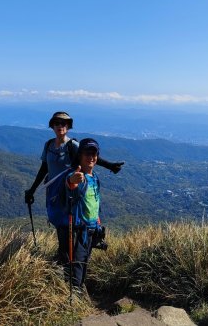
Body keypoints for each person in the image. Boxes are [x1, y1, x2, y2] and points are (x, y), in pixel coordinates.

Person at [24, 111, 123, 263]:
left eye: (63, 123)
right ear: (52, 126)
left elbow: (90, 158)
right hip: (53, 193)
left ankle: (69, 262)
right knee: (59, 224)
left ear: (68, 126)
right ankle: (66, 259)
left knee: (66, 228)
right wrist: (32, 190)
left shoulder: (72, 145)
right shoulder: (49, 145)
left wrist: (110, 165)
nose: (60, 126)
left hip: (69, 192)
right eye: (57, 123)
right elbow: (44, 168)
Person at [65, 138, 103, 291]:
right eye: (87, 153)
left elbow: (96, 203)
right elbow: (70, 183)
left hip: (93, 228)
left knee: (85, 260)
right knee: (78, 263)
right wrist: (73, 180)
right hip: (80, 230)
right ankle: (75, 293)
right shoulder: (78, 176)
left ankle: (80, 288)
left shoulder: (95, 178)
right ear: (80, 155)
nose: (91, 157)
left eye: (94, 153)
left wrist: (98, 223)